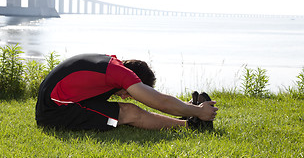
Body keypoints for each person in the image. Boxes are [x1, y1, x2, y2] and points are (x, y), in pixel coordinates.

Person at [35, 53, 218, 131]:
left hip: (60, 104)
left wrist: (187, 106)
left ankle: (187, 113)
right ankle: (191, 125)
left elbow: (154, 98)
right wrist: (199, 112)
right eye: (130, 93)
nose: (126, 96)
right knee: (129, 113)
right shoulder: (119, 73)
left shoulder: (112, 64)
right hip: (57, 113)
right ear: (134, 80)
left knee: (127, 109)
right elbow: (158, 101)